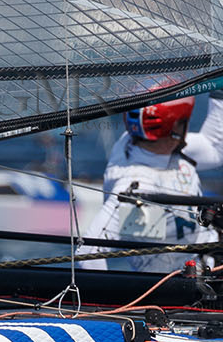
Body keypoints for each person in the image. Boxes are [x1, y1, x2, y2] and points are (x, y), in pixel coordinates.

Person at [81, 96, 223, 273]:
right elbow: (88, 252)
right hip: (186, 284)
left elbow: (215, 149)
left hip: (214, 254)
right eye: (184, 121)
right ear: (176, 129)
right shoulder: (136, 191)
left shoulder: (142, 142)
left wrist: (219, 93)